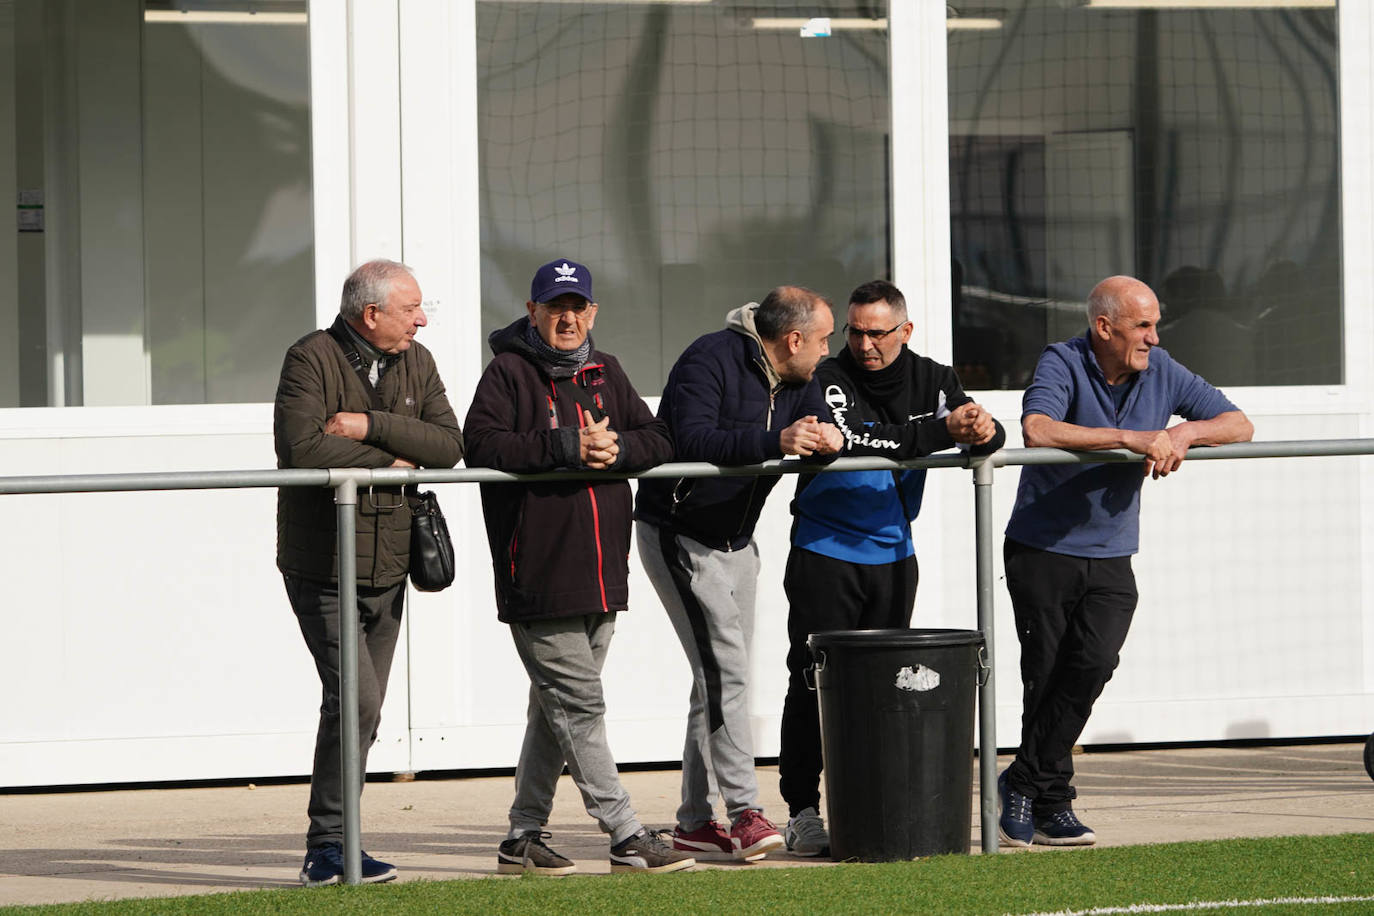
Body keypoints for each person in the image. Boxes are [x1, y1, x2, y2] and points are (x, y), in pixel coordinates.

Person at [999, 275, 1253, 847]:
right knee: (1046, 674)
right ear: (1104, 327)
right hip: (1043, 549)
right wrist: (1134, 438)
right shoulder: (1061, 359)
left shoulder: (1162, 369)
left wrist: (1184, 432)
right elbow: (1038, 428)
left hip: (1113, 554)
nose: (1154, 338)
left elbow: (1239, 423)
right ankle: (1053, 801)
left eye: (1156, 323)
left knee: (1093, 663)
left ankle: (1021, 781)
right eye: (1143, 325)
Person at [464, 258, 694, 876]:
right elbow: (481, 446)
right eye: (554, 306)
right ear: (533, 311)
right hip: (537, 574)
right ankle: (623, 833)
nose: (567, 318)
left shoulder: (607, 371)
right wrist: (569, 445)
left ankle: (521, 838)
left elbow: (661, 439)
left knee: (556, 708)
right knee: (581, 706)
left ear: (592, 312)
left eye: (578, 306)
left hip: (601, 573)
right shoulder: (508, 372)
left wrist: (617, 445)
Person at [777, 279, 1006, 856]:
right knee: (811, 683)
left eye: (877, 333)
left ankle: (875, 807)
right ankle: (802, 809)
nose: (863, 344)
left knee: (883, 691)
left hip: (895, 557)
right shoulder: (827, 375)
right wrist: (939, 432)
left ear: (905, 331)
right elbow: (857, 442)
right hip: (824, 551)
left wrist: (984, 430)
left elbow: (979, 433)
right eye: (854, 331)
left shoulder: (933, 377)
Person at [274, 259, 465, 886]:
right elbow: (301, 449)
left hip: (389, 567)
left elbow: (449, 446)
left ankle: (334, 846)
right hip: (323, 565)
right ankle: (328, 847)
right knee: (356, 702)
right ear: (370, 313)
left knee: (362, 709)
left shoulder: (420, 359)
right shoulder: (310, 357)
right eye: (411, 308)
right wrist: (396, 452)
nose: (422, 318)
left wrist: (367, 427)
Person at [635, 285, 842, 862]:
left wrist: (829, 439)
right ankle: (744, 810)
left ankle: (693, 823)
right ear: (793, 339)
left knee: (719, 677)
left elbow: (817, 429)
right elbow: (692, 440)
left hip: (737, 540)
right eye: (823, 340)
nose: (828, 352)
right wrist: (777, 440)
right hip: (677, 531)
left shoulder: (802, 379)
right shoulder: (709, 357)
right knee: (725, 673)